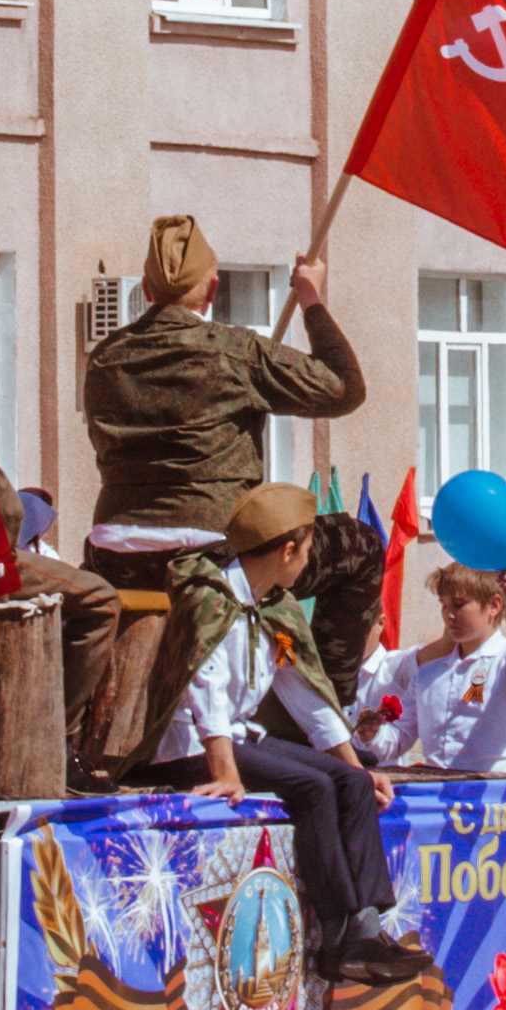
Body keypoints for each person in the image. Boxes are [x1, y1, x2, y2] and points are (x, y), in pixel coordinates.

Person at [74, 219, 370, 773]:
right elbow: (344, 389)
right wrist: (311, 300)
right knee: (359, 547)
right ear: (212, 289)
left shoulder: (105, 357)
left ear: (144, 286)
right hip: (211, 557)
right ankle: (308, 722)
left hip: (118, 556)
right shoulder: (233, 351)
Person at [166, 484, 427, 987]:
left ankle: (367, 931)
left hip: (243, 738)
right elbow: (206, 691)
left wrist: (355, 765)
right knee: (312, 787)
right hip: (194, 746)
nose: (308, 561)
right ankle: (337, 935)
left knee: (349, 783)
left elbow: (307, 698)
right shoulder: (212, 600)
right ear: (288, 550)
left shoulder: (272, 606)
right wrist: (224, 770)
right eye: (308, 549)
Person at [357, 566, 506, 774]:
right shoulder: (428, 675)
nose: (449, 615)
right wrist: (373, 732)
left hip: (499, 795)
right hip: (442, 794)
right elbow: (399, 737)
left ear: (494, 605)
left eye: (458, 605)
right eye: (444, 605)